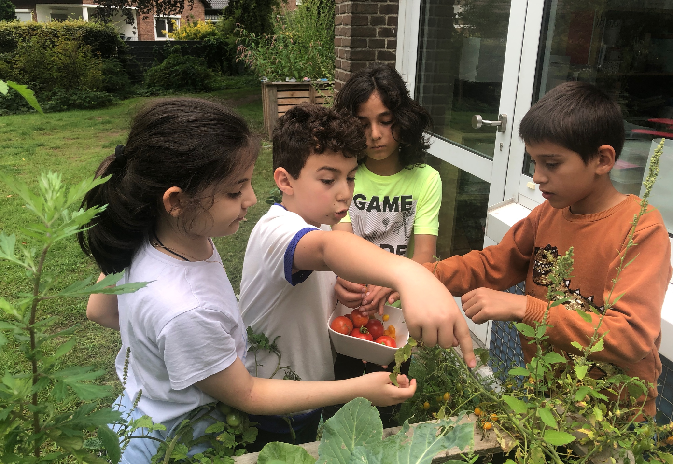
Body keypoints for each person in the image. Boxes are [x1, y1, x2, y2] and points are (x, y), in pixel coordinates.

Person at [79, 98, 421, 463]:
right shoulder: (185, 309)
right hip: (178, 445)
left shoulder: (158, 234)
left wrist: (170, 344)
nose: (252, 199)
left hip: (142, 409)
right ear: (177, 201)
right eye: (235, 190)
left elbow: (99, 310)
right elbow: (247, 395)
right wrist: (409, 275)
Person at [425, 82, 672, 417]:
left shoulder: (640, 228)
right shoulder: (548, 213)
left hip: (612, 420)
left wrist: (526, 308)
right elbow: (491, 265)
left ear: (602, 159)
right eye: (534, 162)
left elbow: (631, 337)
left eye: (551, 163)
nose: (537, 177)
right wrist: (414, 276)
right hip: (549, 400)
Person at [238, 103, 475, 446]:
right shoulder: (276, 230)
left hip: (304, 392)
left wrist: (337, 289)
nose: (345, 192)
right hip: (271, 402)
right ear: (285, 181)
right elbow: (325, 249)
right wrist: (411, 275)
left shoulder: (316, 223)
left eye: (350, 177)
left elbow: (322, 262)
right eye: (328, 179)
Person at [332, 63, 441, 315]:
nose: (375, 134)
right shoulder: (345, 177)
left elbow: (425, 255)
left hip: (399, 308)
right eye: (363, 124)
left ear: (404, 120)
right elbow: (342, 245)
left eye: (386, 121)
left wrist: (393, 281)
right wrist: (344, 279)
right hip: (352, 304)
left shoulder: (426, 179)